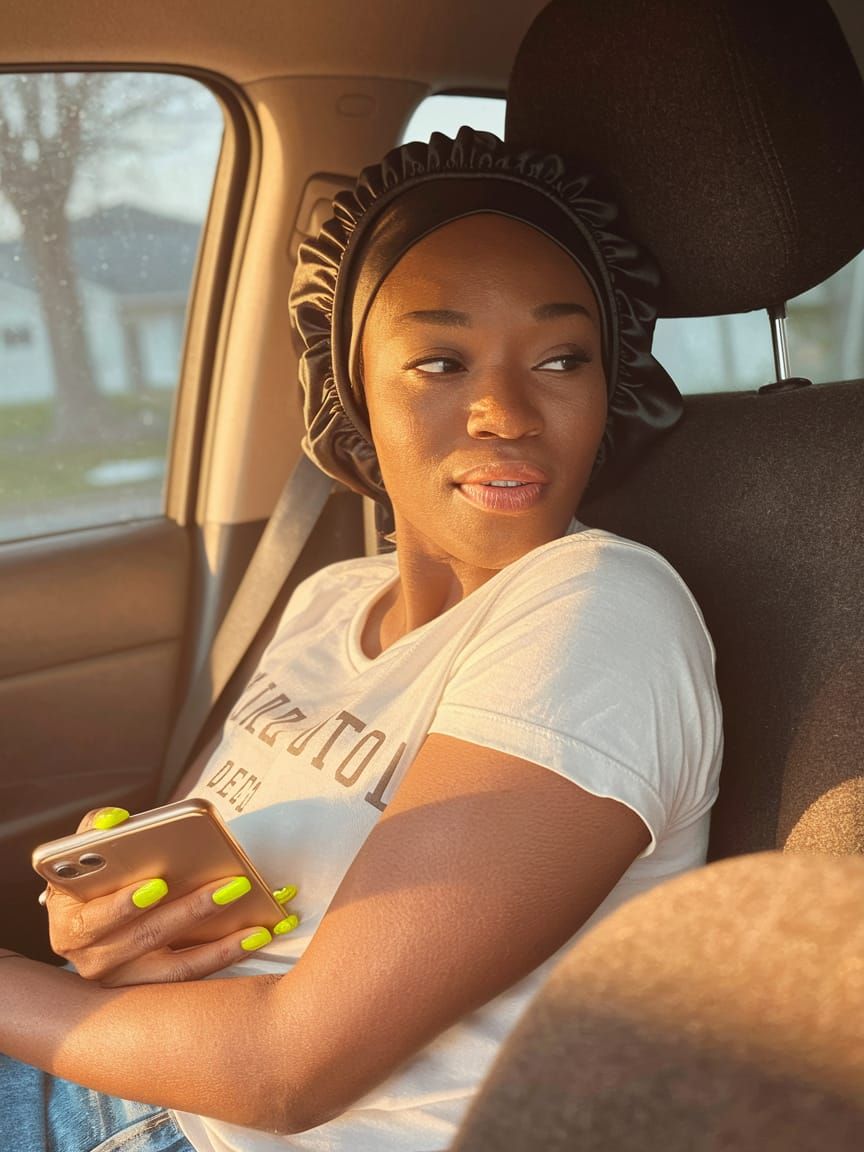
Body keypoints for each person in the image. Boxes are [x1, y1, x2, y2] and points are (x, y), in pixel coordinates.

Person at [0, 127, 722, 1152]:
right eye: (440, 359)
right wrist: (116, 935)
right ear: (350, 389)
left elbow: (288, 1072)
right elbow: (226, 919)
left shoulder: (603, 609)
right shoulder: (330, 601)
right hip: (133, 1071)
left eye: (564, 358)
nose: (507, 412)